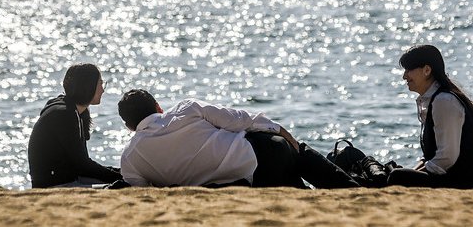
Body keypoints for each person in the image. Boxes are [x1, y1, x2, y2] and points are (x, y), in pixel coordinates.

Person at [117, 89, 358, 188]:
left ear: (129, 127)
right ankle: (353, 190)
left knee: (293, 185)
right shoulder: (186, 109)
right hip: (262, 153)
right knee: (297, 154)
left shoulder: (130, 158)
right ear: (159, 107)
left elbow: (143, 190)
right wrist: (283, 132)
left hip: (246, 182)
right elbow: (242, 119)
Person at [387, 44, 473, 189]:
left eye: (409, 70)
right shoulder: (433, 99)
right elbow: (431, 157)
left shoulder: (444, 101)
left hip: (469, 184)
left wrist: (407, 176)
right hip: (453, 179)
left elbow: (446, 158)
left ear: (427, 70)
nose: (404, 76)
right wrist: (413, 172)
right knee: (394, 173)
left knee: (397, 176)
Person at [27, 63, 122, 188]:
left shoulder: (70, 109)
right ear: (88, 86)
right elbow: (83, 165)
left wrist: (119, 172)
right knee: (122, 185)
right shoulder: (64, 114)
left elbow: (81, 165)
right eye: (100, 83)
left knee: (122, 181)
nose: (103, 89)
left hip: (67, 178)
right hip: (54, 185)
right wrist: (119, 177)